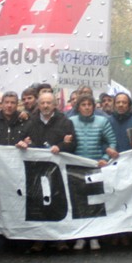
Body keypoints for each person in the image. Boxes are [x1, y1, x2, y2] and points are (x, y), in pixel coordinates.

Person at [18, 91, 76, 253]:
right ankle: (39, 239)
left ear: (55, 104)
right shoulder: (31, 122)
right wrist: (24, 143)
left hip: (56, 172)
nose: (45, 106)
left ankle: (60, 239)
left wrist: (61, 146)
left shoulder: (65, 122)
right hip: (37, 171)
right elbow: (22, 139)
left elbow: (73, 144)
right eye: (42, 103)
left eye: (48, 103)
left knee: (57, 204)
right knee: (38, 204)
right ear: (38, 105)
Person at [68, 94, 117, 251]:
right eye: (84, 104)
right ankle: (81, 237)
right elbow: (66, 142)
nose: (87, 107)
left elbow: (112, 142)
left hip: (96, 167)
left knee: (96, 203)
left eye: (90, 104)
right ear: (78, 107)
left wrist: (104, 158)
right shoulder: (71, 122)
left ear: (94, 107)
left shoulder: (103, 121)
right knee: (79, 203)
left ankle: (95, 236)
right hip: (76, 168)